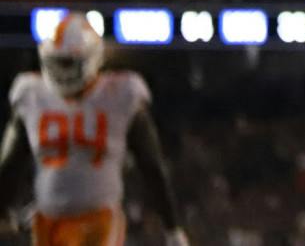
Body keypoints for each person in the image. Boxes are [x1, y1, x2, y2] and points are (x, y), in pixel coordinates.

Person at [0, 13, 188, 246]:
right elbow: (10, 164)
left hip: (98, 219)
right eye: (57, 62)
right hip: (48, 221)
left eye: (69, 63)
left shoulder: (119, 95)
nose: (62, 70)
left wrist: (172, 226)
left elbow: (151, 165)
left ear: (92, 59)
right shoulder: (31, 94)